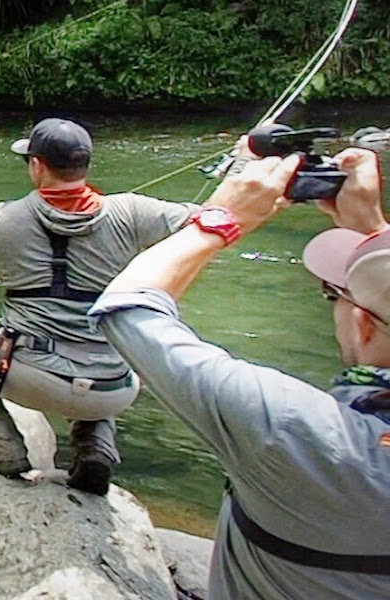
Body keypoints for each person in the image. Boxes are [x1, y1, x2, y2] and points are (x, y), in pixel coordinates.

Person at [88, 146, 390, 599]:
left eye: (335, 293)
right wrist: (374, 235)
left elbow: (127, 311)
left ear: (364, 324)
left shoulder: (293, 427)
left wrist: (220, 219)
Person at [0, 117, 197, 494]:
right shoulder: (134, 211)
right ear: (85, 164)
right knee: (105, 348)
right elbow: (205, 223)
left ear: (37, 165)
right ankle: (95, 450)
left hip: (35, 380)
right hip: (115, 388)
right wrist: (247, 164)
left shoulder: (0, 218)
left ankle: (6, 456)